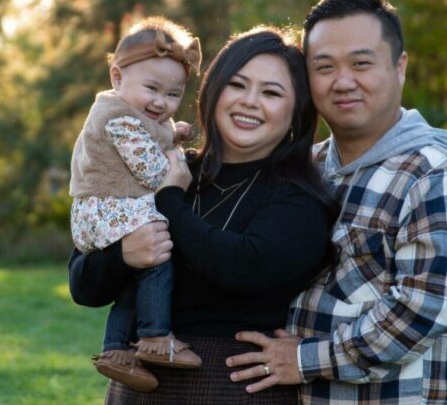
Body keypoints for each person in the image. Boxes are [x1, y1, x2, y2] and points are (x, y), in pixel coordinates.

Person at [226, 0, 447, 404]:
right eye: (324, 67)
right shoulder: (306, 167)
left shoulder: (433, 177)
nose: (343, 81)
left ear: (399, 67)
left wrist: (305, 360)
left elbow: (424, 310)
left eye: (361, 64)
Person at [69, 27, 334, 403]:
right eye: (237, 85)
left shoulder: (298, 198)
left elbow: (241, 266)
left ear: (296, 112)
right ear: (213, 91)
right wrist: (123, 254)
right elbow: (83, 286)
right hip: (137, 387)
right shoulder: (162, 170)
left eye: (271, 93)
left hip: (233, 388)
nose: (250, 102)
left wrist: (171, 202)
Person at [70, 17, 204, 392]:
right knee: (158, 250)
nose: (161, 102)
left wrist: (169, 133)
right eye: (151, 89)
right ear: (117, 78)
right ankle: (156, 337)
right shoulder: (117, 118)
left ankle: (116, 351)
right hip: (108, 209)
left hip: (104, 209)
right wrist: (180, 162)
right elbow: (150, 169)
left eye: (174, 94)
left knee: (134, 277)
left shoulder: (126, 113)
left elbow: (148, 137)